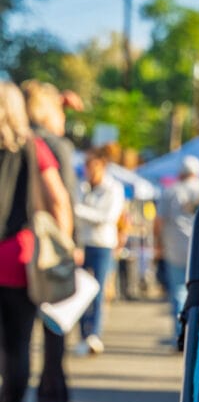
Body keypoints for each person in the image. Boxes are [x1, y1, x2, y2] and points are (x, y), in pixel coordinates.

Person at [0, 82, 72, 402]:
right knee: (17, 344)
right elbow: (58, 199)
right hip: (17, 258)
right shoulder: (34, 147)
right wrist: (66, 243)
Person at [21, 80, 80, 402]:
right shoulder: (54, 145)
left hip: (16, 244)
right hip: (48, 245)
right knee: (55, 327)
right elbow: (65, 199)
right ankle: (52, 399)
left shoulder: (14, 139)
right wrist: (72, 245)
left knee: (16, 332)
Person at [73, 146, 125, 355]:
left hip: (103, 244)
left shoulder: (113, 188)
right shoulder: (81, 187)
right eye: (87, 166)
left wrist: (79, 211)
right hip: (82, 244)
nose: (89, 170)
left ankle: (94, 334)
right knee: (79, 291)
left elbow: (108, 217)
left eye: (93, 165)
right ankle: (82, 334)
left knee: (99, 290)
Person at [154, 154, 199, 335]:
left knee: (178, 292)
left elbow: (159, 221)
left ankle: (181, 334)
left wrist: (158, 244)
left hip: (175, 247)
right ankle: (197, 334)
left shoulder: (171, 191)